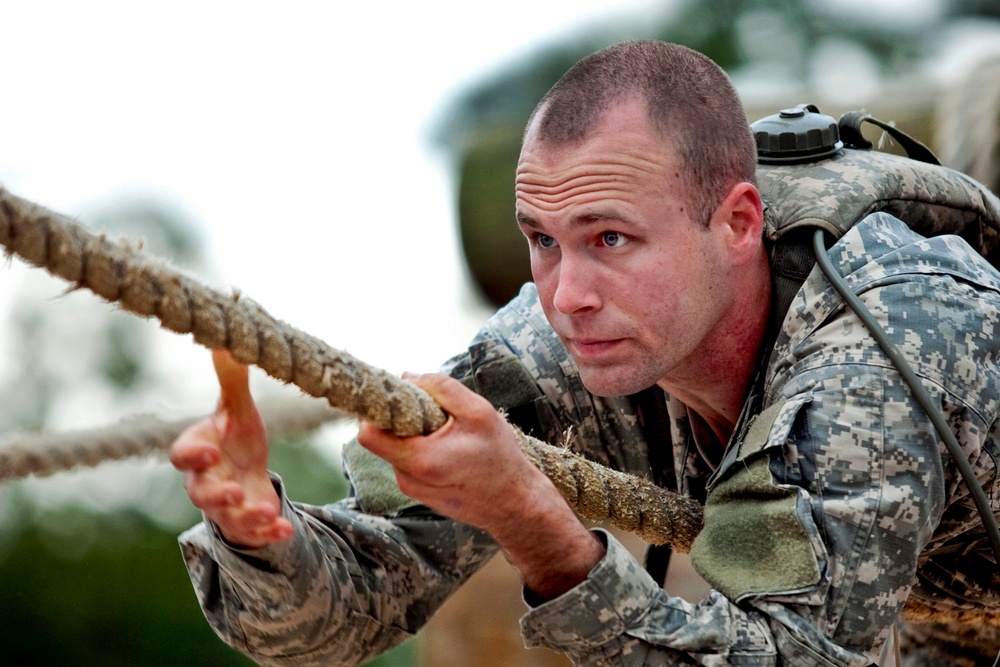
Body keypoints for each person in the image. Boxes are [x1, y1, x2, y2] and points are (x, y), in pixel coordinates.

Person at [170, 40, 1000, 666]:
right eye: (542, 240)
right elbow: (351, 603)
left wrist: (539, 530)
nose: (567, 296)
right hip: (932, 616)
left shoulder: (882, 339)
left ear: (739, 225)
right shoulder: (553, 348)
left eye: (611, 237)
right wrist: (263, 539)